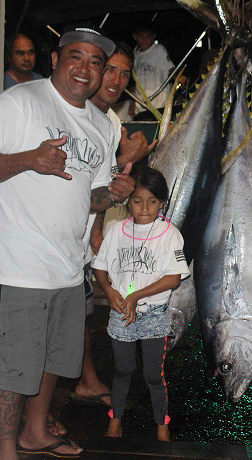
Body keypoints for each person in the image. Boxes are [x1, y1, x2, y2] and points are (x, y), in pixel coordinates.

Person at [0, 25, 135, 460]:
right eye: (76, 57)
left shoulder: (101, 125)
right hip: (16, 261)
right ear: (56, 60)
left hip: (67, 264)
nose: (86, 68)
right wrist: (29, 159)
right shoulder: (18, 102)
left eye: (96, 62)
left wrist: (112, 193)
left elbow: (89, 197)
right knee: (12, 364)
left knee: (50, 358)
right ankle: (5, 448)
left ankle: (35, 432)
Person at [70, 41, 157, 410]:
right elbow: (81, 178)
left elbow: (108, 185)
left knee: (81, 312)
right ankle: (83, 381)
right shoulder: (76, 111)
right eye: (111, 70)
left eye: (125, 74)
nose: (117, 80)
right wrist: (127, 158)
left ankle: (84, 380)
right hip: (64, 231)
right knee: (72, 313)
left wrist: (97, 227)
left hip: (83, 230)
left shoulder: (112, 122)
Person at [92, 166, 190, 441]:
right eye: (137, 201)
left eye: (152, 201)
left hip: (154, 315)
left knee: (153, 375)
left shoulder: (170, 234)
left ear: (162, 203)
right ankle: (115, 420)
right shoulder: (116, 231)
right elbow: (99, 266)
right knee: (123, 369)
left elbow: (173, 278)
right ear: (128, 202)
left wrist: (136, 295)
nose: (144, 208)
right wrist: (109, 290)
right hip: (121, 312)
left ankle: (162, 425)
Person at [128, 24, 175, 117]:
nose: (145, 39)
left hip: (159, 105)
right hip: (140, 106)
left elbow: (171, 70)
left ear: (153, 37)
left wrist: (179, 77)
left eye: (148, 36)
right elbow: (136, 82)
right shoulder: (134, 55)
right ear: (135, 36)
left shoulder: (159, 50)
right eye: (142, 36)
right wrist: (133, 102)